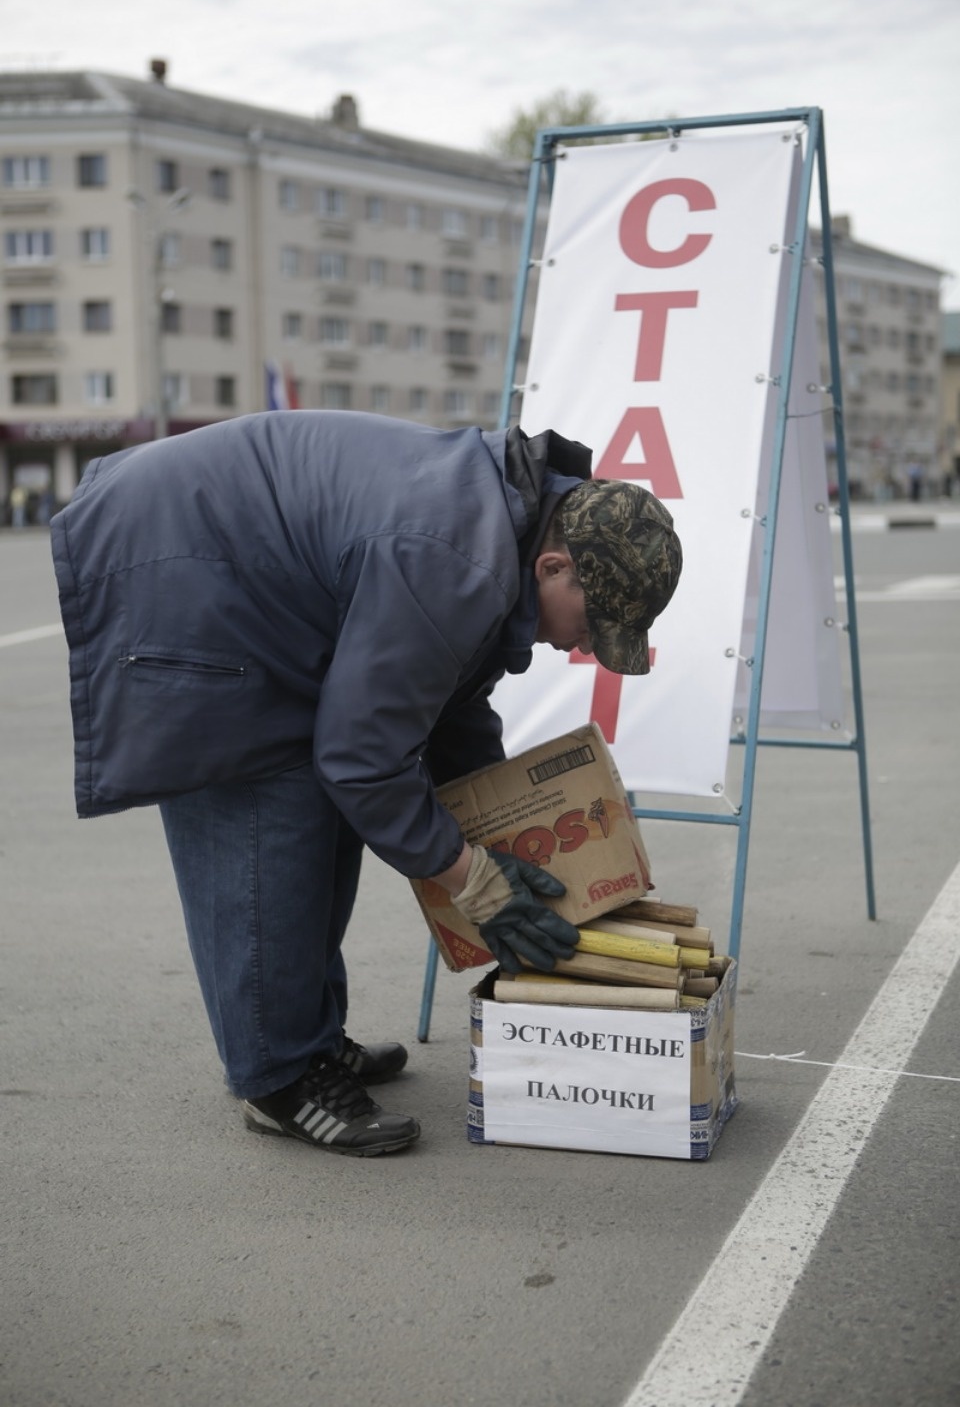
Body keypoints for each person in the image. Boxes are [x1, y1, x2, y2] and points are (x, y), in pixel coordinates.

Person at [50, 411, 682, 1158]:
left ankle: (309, 1039)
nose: (583, 646)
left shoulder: (501, 531)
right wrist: (474, 879)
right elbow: (362, 759)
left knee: (334, 804)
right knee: (274, 801)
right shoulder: (455, 560)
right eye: (592, 623)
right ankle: (278, 1078)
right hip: (178, 573)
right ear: (553, 567)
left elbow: (443, 707)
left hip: (227, 560)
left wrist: (495, 823)